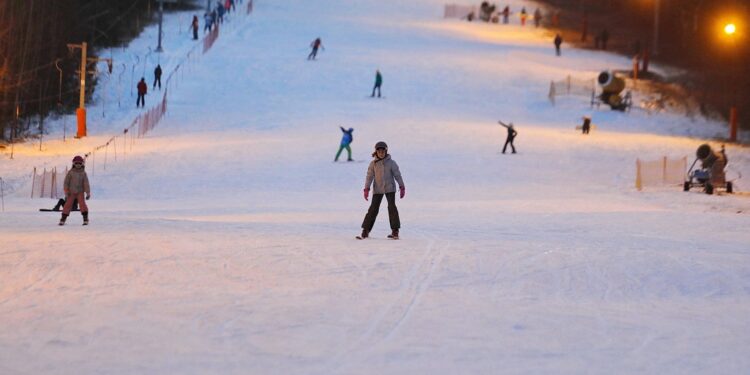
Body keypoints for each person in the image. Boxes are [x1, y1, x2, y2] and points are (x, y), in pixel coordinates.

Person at [358, 141, 405, 240]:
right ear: (376, 152)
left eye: (383, 151)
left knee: (392, 207)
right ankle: (365, 230)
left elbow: (397, 175)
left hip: (390, 188)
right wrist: (366, 188)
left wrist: (402, 186)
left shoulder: (391, 163)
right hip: (378, 189)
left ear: (386, 151)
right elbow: (369, 177)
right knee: (373, 209)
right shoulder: (373, 164)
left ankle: (395, 231)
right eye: (379, 151)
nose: (381, 153)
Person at [59, 156, 90, 226]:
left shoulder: (83, 173)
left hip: (80, 192)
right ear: (74, 164)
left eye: (79, 163)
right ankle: (63, 219)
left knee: (82, 205)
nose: (78, 165)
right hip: (71, 192)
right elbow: (66, 182)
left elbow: (86, 183)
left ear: (82, 164)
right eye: (76, 163)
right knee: (67, 205)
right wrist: (66, 191)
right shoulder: (71, 172)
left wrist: (88, 193)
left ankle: (85, 219)